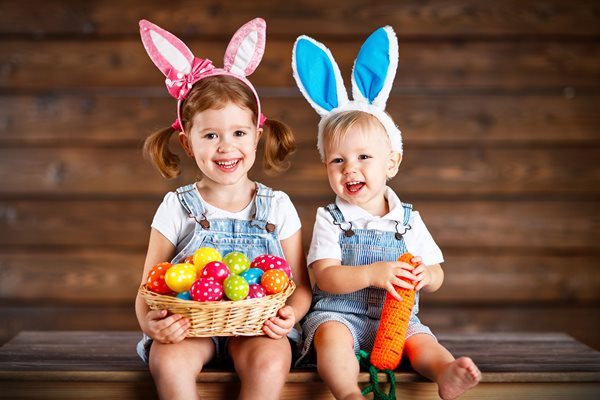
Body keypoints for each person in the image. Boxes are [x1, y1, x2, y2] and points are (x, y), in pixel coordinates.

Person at [291, 26, 481, 399]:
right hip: (341, 315)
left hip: (397, 319)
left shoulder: (408, 219)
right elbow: (325, 277)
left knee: (422, 342)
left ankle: (445, 371)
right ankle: (347, 391)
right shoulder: (331, 217)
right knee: (331, 341)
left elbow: (438, 273)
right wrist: (373, 273)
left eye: (364, 157)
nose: (350, 169)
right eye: (337, 160)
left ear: (391, 162)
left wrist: (425, 274)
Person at [134, 18, 312, 400]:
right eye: (211, 135)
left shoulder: (277, 206)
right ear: (186, 142)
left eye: (238, 133)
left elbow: (300, 287)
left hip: (256, 328)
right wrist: (154, 327)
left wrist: (290, 316)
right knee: (168, 361)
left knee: (269, 361)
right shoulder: (177, 206)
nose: (226, 147)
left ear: (257, 136)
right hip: (191, 326)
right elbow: (148, 288)